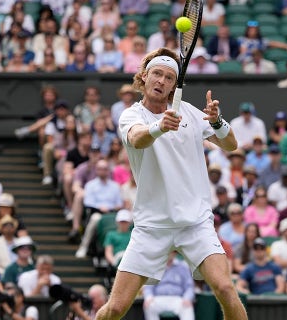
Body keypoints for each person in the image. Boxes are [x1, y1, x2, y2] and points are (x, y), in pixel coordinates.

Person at [96, 48, 246, 320]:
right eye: (156, 74)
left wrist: (217, 121)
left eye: (168, 77)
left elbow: (231, 144)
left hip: (195, 223)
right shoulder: (131, 116)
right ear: (144, 77)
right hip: (152, 226)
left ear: (174, 85)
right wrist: (160, 127)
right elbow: (138, 138)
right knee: (115, 308)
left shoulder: (189, 112)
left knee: (225, 288)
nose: (161, 81)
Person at [142, 252, 194, 320]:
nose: (170, 253)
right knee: (149, 305)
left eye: (172, 252)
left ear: (175, 253)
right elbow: (148, 287)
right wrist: (148, 297)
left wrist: (187, 298)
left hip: (177, 299)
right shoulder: (155, 267)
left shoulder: (183, 266)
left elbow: (189, 287)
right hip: (158, 299)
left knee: (187, 307)